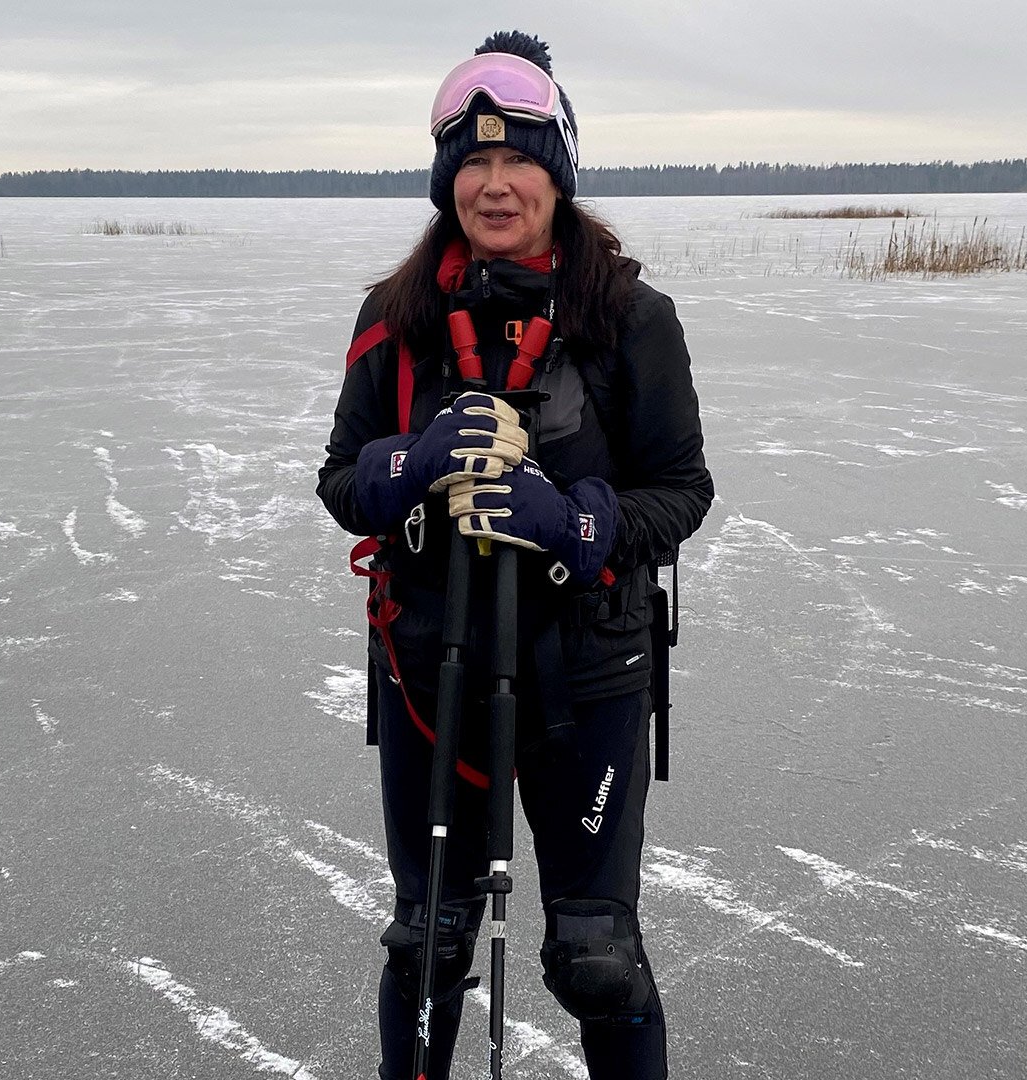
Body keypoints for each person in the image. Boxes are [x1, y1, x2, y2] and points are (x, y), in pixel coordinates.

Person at [315, 30, 713, 1080]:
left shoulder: (632, 320)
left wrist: (573, 521)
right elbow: (343, 483)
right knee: (430, 942)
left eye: (520, 160)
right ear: (448, 182)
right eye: (473, 165)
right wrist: (410, 465)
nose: (495, 185)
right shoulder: (392, 322)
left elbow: (681, 492)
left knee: (599, 957)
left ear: (559, 173)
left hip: (590, 673)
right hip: (428, 673)